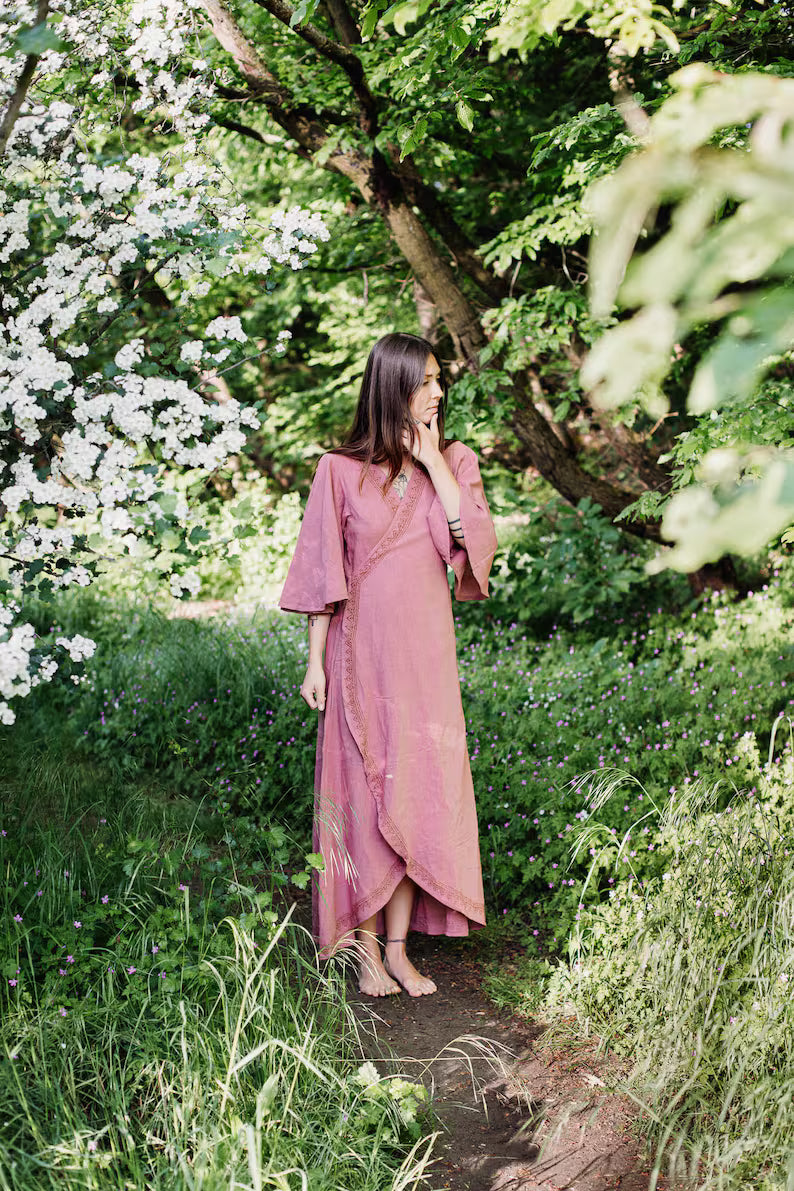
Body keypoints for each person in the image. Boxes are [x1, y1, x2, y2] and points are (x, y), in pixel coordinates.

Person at [279, 332, 498, 998]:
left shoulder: (455, 460)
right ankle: (367, 953)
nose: (438, 392)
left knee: (415, 796)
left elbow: (473, 543)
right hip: (359, 660)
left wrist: (432, 463)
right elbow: (325, 572)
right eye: (425, 380)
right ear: (392, 386)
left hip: (426, 663)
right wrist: (314, 663)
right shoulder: (338, 470)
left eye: (439, 379)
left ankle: (400, 952)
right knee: (367, 798)